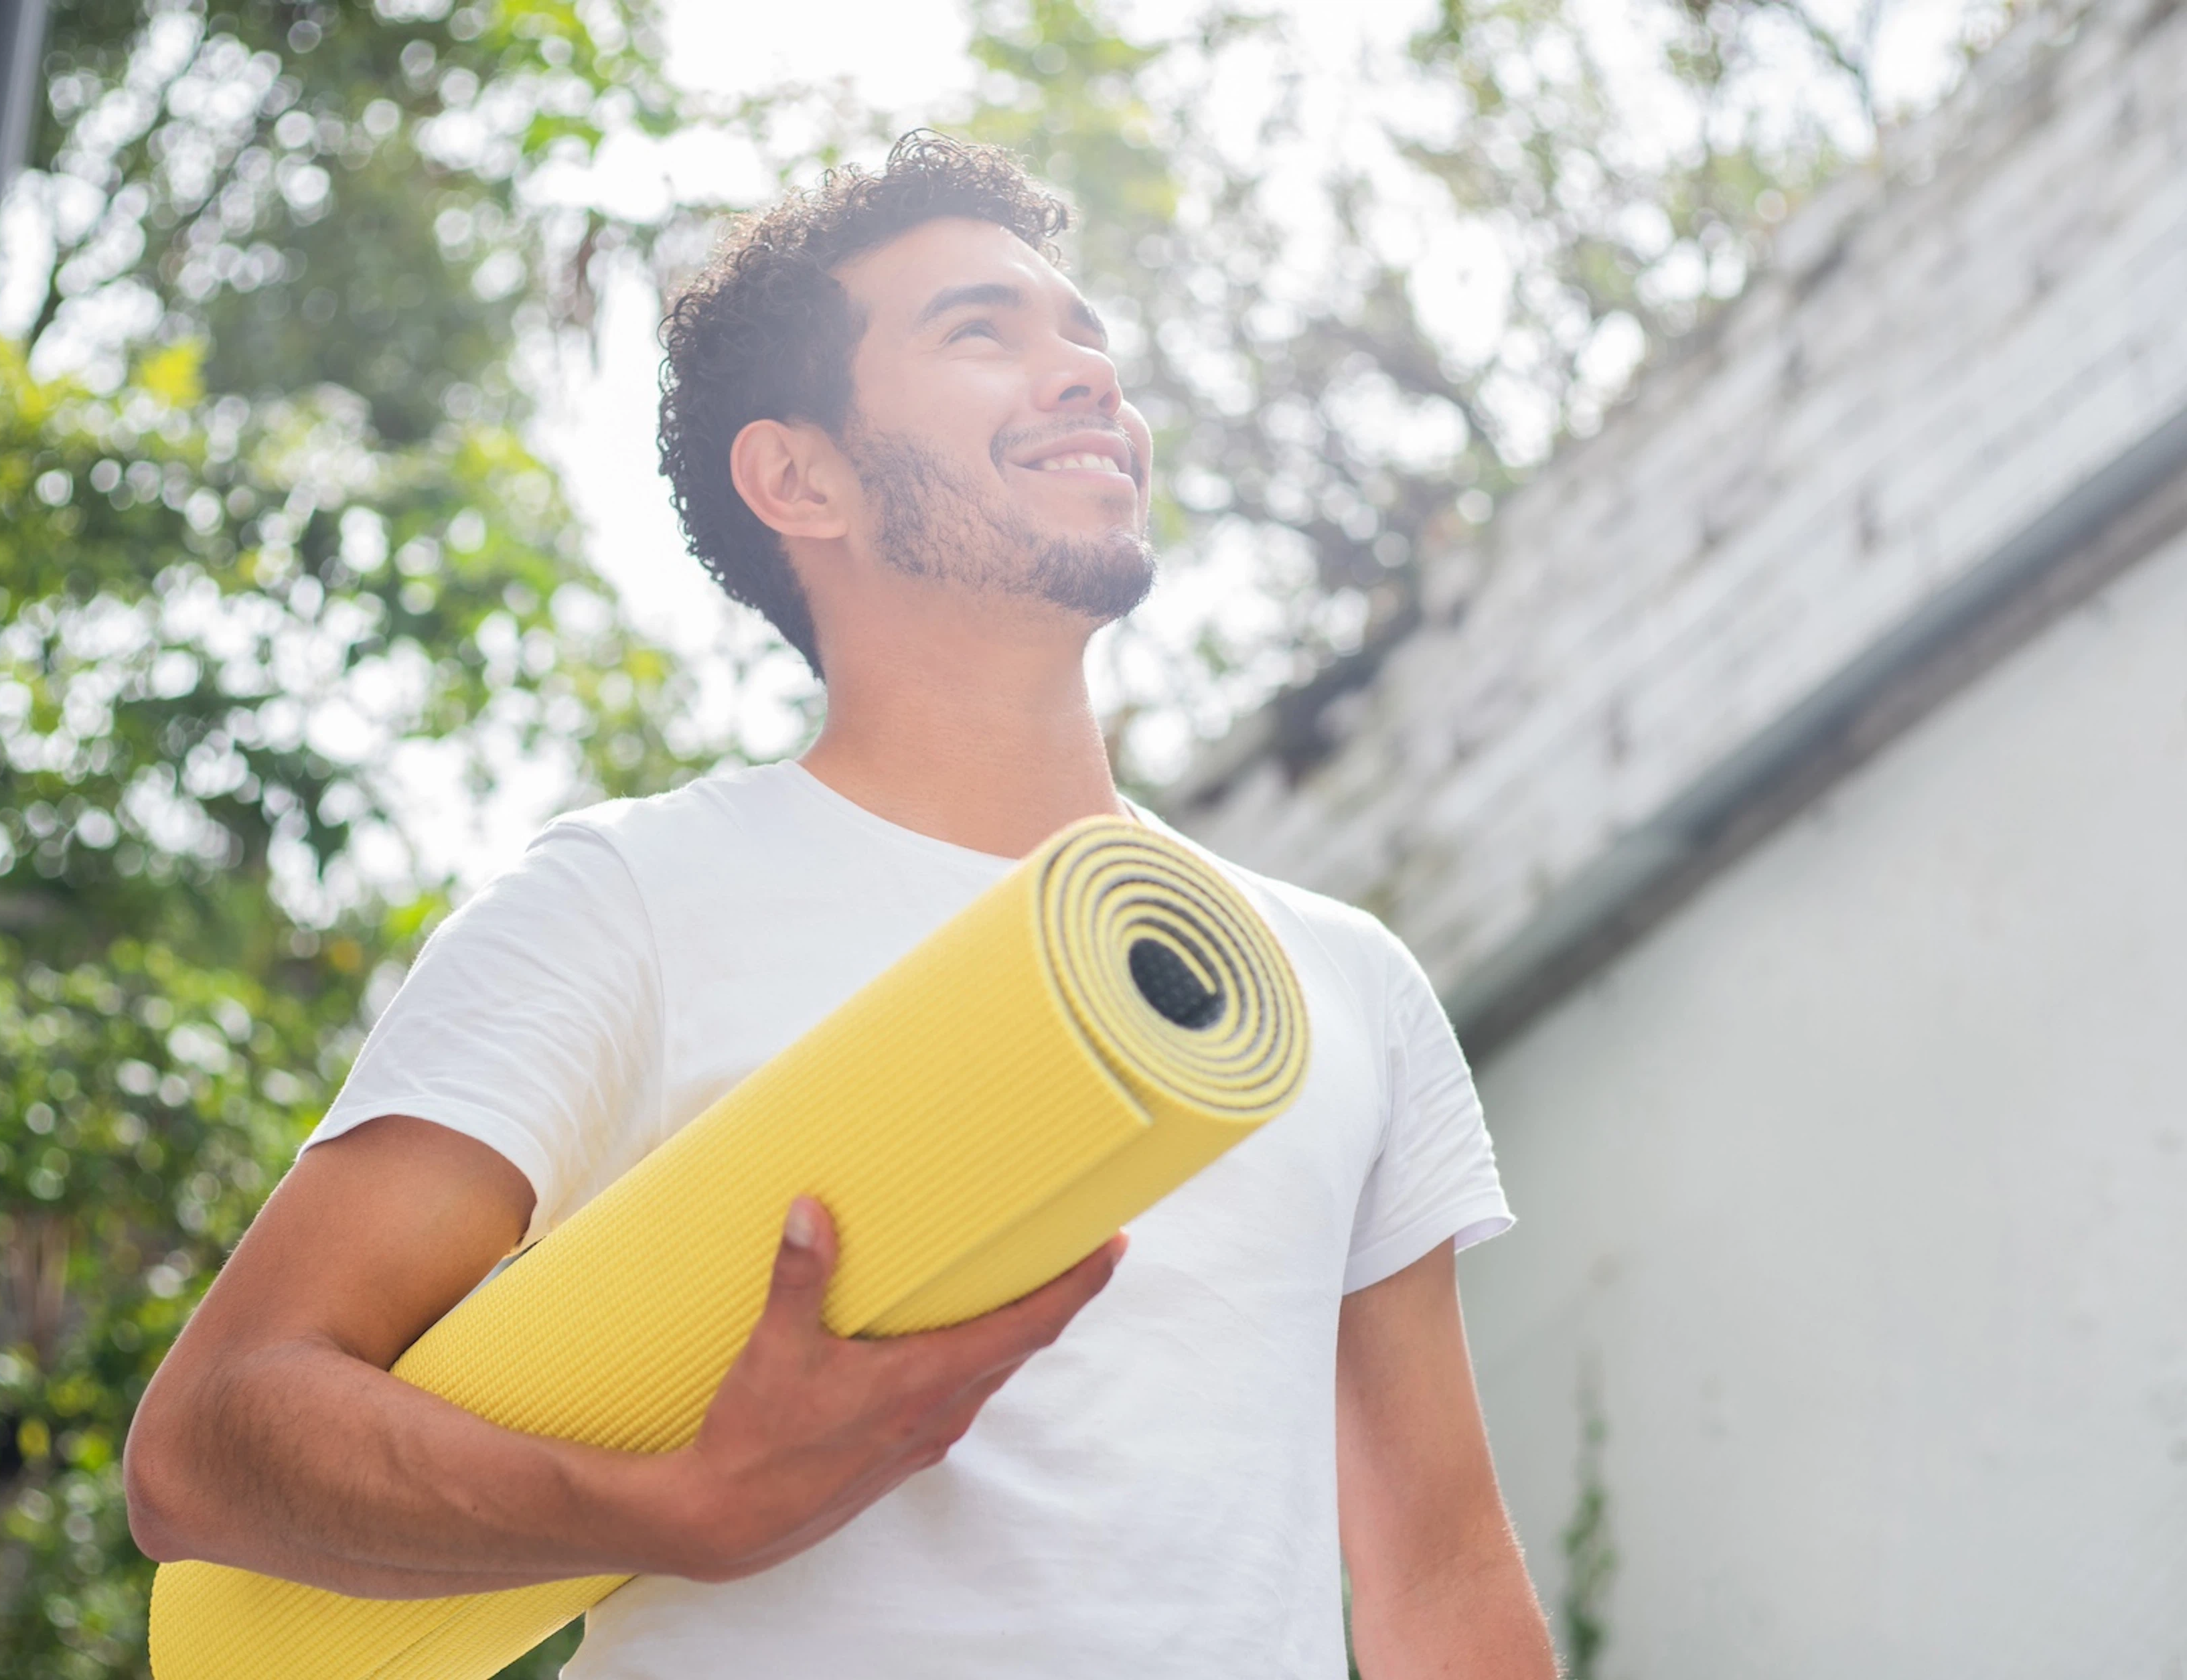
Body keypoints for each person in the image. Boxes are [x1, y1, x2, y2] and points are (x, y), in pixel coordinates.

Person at [125, 132, 1557, 1678]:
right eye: (981, 334)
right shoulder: (633, 903)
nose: (1088, 380)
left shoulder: (1334, 983)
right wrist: (680, 1509)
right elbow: (206, 1443)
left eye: (1087, 339)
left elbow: (1441, 1573)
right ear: (798, 476)